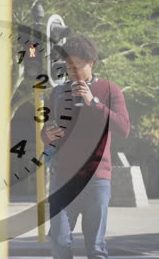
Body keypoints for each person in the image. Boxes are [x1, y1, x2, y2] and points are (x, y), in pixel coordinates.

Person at [41, 34, 130, 259]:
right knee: (59, 244)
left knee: (96, 249)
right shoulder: (58, 93)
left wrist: (94, 103)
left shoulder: (110, 90)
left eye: (77, 66)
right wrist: (47, 134)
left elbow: (123, 128)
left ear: (91, 63)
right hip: (63, 179)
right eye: (68, 67)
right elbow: (47, 130)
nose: (72, 72)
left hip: (97, 179)